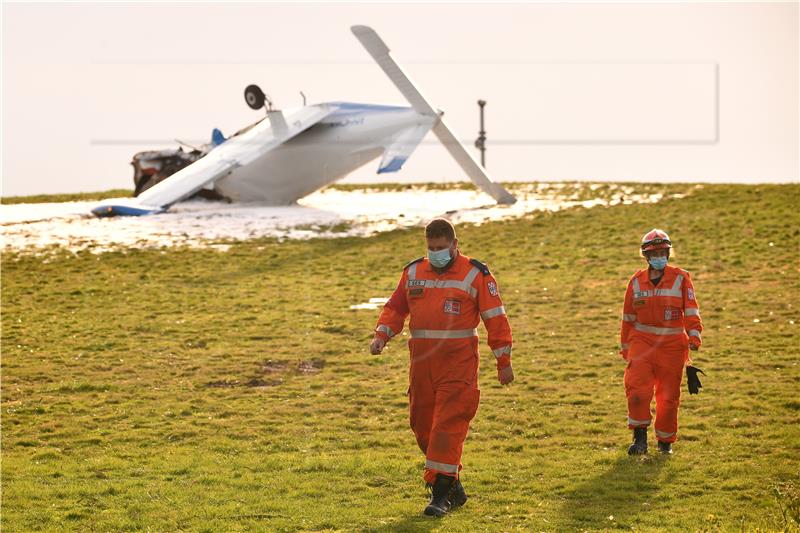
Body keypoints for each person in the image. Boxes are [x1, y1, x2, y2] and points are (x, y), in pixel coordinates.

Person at [369, 218, 514, 517]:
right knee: (422, 427)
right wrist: (382, 334)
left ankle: (440, 496)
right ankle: (451, 483)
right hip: (422, 364)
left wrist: (503, 361)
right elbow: (396, 307)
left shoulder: (476, 274)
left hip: (458, 365)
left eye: (441, 247)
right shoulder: (412, 272)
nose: (435, 253)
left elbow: (495, 318)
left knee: (447, 427)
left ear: (454, 244)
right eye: (431, 248)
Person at [619, 229, 703, 455]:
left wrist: (694, 334)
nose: (659, 256)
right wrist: (626, 347)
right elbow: (628, 317)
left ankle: (665, 443)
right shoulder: (636, 282)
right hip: (642, 343)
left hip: (673, 346)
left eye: (663, 251)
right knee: (637, 391)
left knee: (668, 397)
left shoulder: (681, 278)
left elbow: (692, 309)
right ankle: (640, 439)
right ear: (646, 256)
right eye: (654, 252)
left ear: (668, 252)